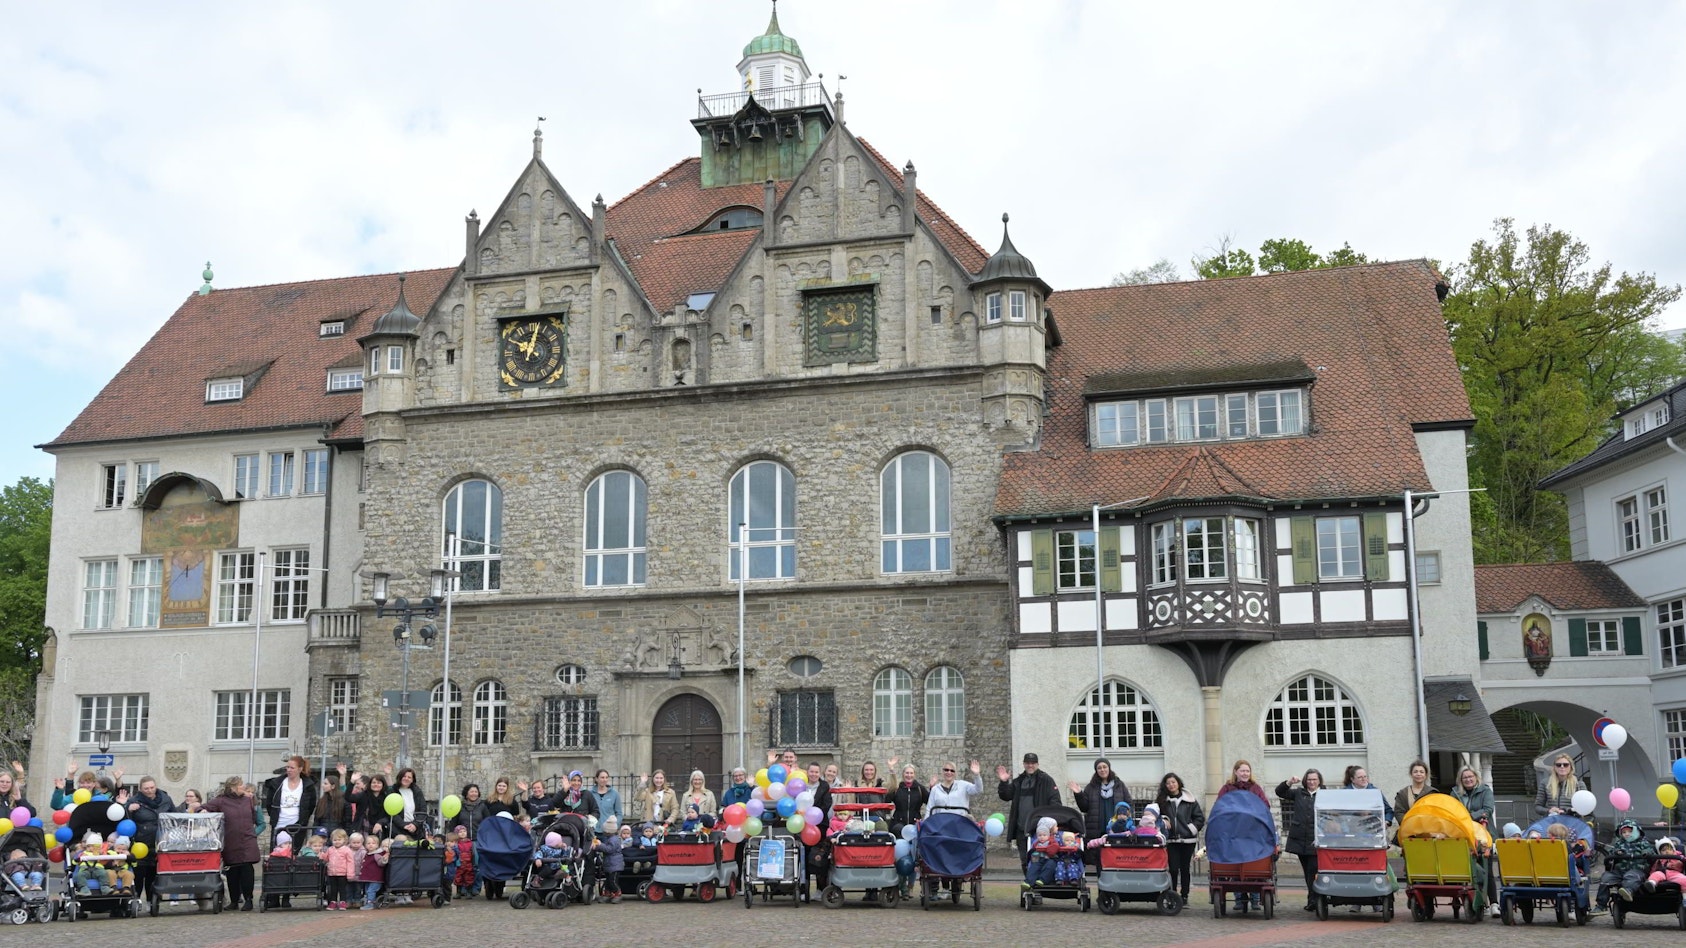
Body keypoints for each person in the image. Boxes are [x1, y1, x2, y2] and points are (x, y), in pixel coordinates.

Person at [200, 775, 261, 911]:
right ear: (233, 787)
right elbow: (203, 807)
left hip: (247, 839)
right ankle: (234, 901)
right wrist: (202, 811)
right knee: (233, 871)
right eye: (240, 784)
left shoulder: (247, 800)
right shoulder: (221, 801)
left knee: (247, 869)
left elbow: (253, 817)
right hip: (231, 840)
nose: (243, 786)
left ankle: (249, 900)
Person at [997, 753, 1062, 869]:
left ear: (1037, 764)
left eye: (1033, 763)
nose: (1030, 765)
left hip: (1040, 830)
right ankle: (1029, 879)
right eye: (1027, 763)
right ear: (1024, 764)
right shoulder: (1019, 781)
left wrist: (1051, 822)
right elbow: (1005, 796)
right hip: (1021, 828)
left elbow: (1055, 802)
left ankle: (1039, 880)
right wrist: (1003, 782)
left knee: (1040, 859)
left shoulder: (1046, 780)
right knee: (1025, 860)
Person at [1451, 766, 1499, 916]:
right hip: (1464, 836)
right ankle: (1479, 901)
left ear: (1476, 777)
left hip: (1484, 835)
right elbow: (1453, 812)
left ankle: (1494, 903)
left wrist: (1468, 817)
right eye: (1465, 777)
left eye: (1470, 776)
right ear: (1460, 780)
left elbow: (1488, 810)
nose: (1468, 780)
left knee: (1487, 869)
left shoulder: (1485, 791)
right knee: (1468, 870)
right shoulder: (1455, 793)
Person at [1277, 769, 1322, 911]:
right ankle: (1312, 898)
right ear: (1305, 781)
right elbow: (1280, 792)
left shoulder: (1324, 794)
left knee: (1313, 870)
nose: (1312, 782)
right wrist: (1289, 782)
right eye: (1309, 780)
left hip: (1315, 840)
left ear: (1319, 781)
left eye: (1314, 779)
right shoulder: (1299, 793)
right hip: (1300, 839)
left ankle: (1314, 899)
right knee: (1307, 870)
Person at [1155, 772, 1204, 904]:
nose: (1171, 785)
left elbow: (1199, 818)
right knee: (1173, 869)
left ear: (1178, 783)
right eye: (1168, 783)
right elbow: (1153, 816)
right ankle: (1172, 895)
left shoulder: (1190, 800)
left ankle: (1185, 896)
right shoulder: (1161, 801)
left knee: (1185, 868)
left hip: (1187, 841)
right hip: (1171, 840)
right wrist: (1163, 821)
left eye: (1173, 782)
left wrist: (1190, 829)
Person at [125, 775, 173, 900]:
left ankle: (152, 902)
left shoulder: (166, 799)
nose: (150, 790)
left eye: (152, 787)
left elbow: (174, 816)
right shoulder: (134, 801)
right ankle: (135, 901)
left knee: (153, 877)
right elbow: (125, 819)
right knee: (138, 876)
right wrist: (129, 810)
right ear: (140, 789)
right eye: (146, 788)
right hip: (140, 844)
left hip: (159, 843)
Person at [1596, 819, 1655, 911]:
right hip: (1619, 871)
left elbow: (1652, 853)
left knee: (1631, 876)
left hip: (1637, 870)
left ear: (1636, 831)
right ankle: (1601, 905)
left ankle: (1628, 891)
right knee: (1605, 878)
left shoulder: (1643, 843)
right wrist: (1616, 852)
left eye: (1630, 831)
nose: (1627, 834)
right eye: (1624, 832)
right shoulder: (1619, 843)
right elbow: (1611, 854)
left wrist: (1646, 853)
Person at [1069, 758, 1131, 844]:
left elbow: (1128, 804)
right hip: (1096, 832)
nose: (1102, 770)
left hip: (1117, 829)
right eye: (1099, 768)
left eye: (1104, 767)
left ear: (1109, 768)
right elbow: (1084, 808)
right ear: (1096, 771)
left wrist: (1124, 818)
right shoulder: (1091, 787)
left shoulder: (1119, 785)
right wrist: (1079, 794)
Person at [263, 755, 318, 846]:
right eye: (287, 767)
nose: (289, 770)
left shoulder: (307, 786)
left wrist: (303, 820)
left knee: (294, 851)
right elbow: (269, 803)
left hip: (297, 825)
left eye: (292, 768)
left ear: (300, 769)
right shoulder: (277, 784)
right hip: (279, 824)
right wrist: (274, 816)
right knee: (278, 851)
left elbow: (311, 806)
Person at [887, 761, 928, 838]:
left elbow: (930, 802)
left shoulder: (920, 789)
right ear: (903, 774)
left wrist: (932, 788)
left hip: (915, 823)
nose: (909, 775)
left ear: (914, 775)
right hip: (898, 823)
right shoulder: (897, 788)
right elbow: (886, 801)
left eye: (911, 773)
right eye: (907, 773)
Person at [385, 766, 428, 838]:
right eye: (404, 776)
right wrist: (403, 825)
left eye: (409, 777)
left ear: (412, 780)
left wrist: (415, 824)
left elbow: (423, 811)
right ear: (400, 777)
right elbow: (392, 811)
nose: (406, 778)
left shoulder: (417, 792)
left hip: (415, 829)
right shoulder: (394, 791)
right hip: (398, 828)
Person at [1022, 816, 1061, 890]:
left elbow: (1055, 847)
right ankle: (1028, 882)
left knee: (1050, 865)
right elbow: (1034, 847)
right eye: (1055, 826)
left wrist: (1049, 849)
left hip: (1050, 857)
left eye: (1043, 835)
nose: (1057, 828)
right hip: (1038, 856)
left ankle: (1042, 880)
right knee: (1034, 867)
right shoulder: (1037, 839)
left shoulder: (1054, 839)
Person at [324, 828, 356, 909]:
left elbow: (350, 862)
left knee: (342, 889)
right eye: (335, 840)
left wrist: (350, 874)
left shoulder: (347, 850)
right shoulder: (330, 849)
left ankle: (343, 902)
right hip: (332, 873)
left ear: (344, 840)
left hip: (342, 873)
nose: (337, 842)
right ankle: (333, 902)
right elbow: (325, 858)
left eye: (339, 840)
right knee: (333, 889)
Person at [596, 816, 625, 903]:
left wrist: (600, 845)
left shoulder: (614, 840)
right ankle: (607, 893)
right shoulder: (610, 839)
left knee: (613, 881)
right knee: (608, 881)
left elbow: (609, 849)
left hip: (615, 865)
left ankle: (617, 893)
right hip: (610, 864)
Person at [317, 768, 352, 837]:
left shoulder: (344, 802)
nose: (322, 785)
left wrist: (346, 835)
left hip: (338, 836)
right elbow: (317, 820)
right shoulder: (321, 801)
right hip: (322, 835)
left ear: (333, 786)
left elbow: (348, 822)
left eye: (325, 784)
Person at [357, 835, 387, 909]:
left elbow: (381, 863)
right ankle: (368, 902)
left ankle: (370, 904)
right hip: (368, 878)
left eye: (373, 843)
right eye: (368, 843)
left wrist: (384, 859)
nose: (371, 845)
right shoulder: (367, 854)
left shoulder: (377, 854)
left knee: (371, 891)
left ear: (377, 845)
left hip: (375, 878)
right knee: (367, 891)